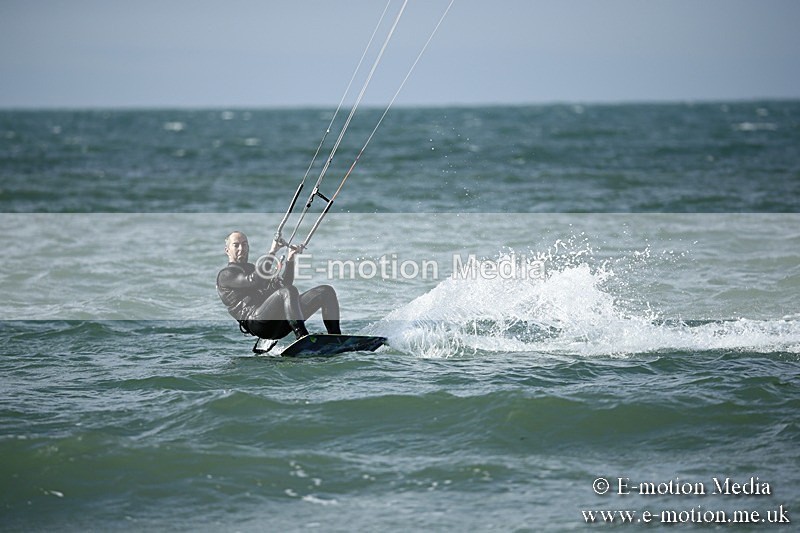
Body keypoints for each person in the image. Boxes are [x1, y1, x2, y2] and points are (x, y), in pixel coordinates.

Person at [216, 231, 341, 340]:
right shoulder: (226, 275)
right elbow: (253, 281)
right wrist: (272, 252)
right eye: (236, 245)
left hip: (279, 321)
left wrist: (290, 260)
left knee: (326, 291)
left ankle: (336, 338)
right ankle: (302, 336)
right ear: (227, 250)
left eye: (244, 244)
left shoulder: (253, 269)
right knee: (287, 291)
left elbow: (284, 285)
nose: (241, 248)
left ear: (248, 247)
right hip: (258, 323)